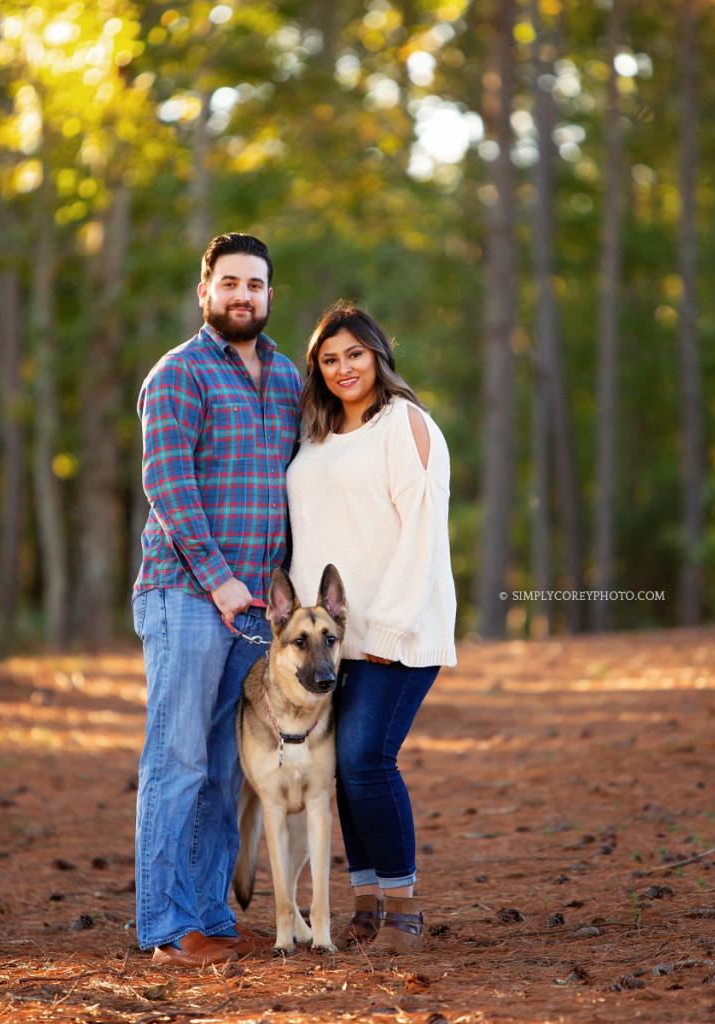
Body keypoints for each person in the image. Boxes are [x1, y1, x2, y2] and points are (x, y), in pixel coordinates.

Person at [132, 233, 302, 967]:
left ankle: (211, 919)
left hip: (258, 615)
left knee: (226, 768)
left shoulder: (292, 378)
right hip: (187, 595)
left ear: (270, 295)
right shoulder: (178, 374)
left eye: (255, 285)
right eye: (229, 283)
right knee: (178, 762)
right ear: (206, 290)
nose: (243, 296)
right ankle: (168, 929)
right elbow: (168, 486)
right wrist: (218, 576)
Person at [286, 301, 457, 953]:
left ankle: (405, 912)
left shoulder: (406, 424)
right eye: (329, 360)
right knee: (335, 769)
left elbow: (421, 533)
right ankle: (365, 906)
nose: (343, 368)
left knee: (365, 759)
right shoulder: (316, 434)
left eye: (354, 354)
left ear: (379, 356)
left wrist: (385, 629)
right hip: (327, 643)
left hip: (398, 633)